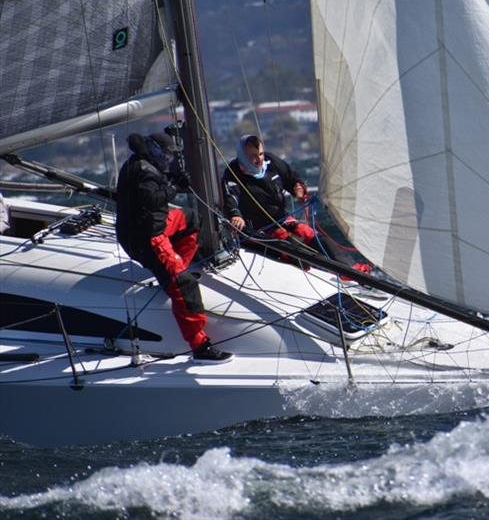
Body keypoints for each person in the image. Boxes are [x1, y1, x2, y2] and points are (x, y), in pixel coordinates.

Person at [116, 132, 231, 362]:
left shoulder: (144, 162)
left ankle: (175, 269)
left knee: (192, 220)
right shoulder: (142, 172)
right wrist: (175, 187)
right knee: (185, 284)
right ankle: (200, 345)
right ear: (156, 150)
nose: (168, 159)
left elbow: (154, 194)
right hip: (146, 237)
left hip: (155, 223)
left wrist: (172, 180)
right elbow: (150, 199)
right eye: (167, 154)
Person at [222, 135, 372, 278]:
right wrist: (235, 214)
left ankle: (352, 271)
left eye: (260, 154)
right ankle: (311, 273)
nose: (258, 159)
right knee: (296, 247)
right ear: (242, 156)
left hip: (282, 219)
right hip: (259, 230)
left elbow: (290, 177)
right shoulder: (233, 173)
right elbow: (230, 196)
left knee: (311, 235)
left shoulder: (270, 162)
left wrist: (297, 187)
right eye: (252, 156)